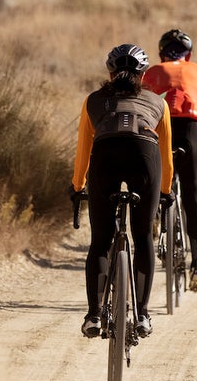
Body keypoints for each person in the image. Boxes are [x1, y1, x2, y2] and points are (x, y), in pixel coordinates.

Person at [72, 43, 174, 340]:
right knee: (143, 238)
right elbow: (166, 155)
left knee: (100, 242)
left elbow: (83, 150)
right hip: (144, 156)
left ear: (110, 71)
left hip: (105, 156)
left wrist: (77, 185)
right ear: (143, 74)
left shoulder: (93, 100)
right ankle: (142, 314)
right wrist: (165, 191)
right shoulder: (158, 103)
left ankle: (93, 315)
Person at [142, 28, 197, 292]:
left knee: (153, 180)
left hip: (158, 127)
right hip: (190, 130)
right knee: (192, 197)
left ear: (161, 53)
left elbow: (138, 108)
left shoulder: (152, 72)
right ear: (189, 55)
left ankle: (154, 213)